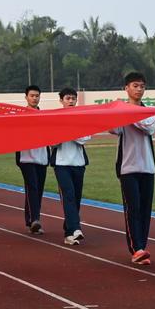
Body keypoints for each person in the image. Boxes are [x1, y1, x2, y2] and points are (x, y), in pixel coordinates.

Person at [110, 72, 155, 265]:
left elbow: (148, 128)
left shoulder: (150, 111)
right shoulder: (121, 111)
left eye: (142, 86)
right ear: (126, 88)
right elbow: (114, 129)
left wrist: (128, 113)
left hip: (147, 167)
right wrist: (118, 113)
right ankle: (136, 247)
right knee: (133, 208)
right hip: (128, 167)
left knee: (145, 210)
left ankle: (141, 247)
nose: (139, 89)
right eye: (135, 85)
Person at [50, 88, 90, 245]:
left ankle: (69, 233)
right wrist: (67, 131)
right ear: (61, 100)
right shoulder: (55, 118)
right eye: (68, 98)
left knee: (77, 198)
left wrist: (69, 130)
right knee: (68, 196)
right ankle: (75, 228)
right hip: (61, 164)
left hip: (79, 163)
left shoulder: (82, 118)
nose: (71, 101)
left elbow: (85, 138)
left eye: (73, 98)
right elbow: (52, 141)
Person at [16, 85, 49, 234]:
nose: (35, 98)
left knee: (38, 190)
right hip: (26, 158)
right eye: (32, 96)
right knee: (32, 187)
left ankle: (30, 220)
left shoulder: (44, 116)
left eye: (37, 96)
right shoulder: (20, 115)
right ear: (26, 97)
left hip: (41, 158)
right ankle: (35, 219)